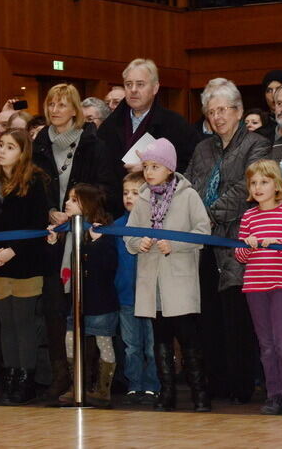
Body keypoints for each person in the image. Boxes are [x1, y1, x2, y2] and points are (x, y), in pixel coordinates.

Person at [185, 78, 271, 405]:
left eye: (223, 110)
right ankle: (216, 382)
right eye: (211, 111)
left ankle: (241, 385)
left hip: (239, 238)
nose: (218, 116)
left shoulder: (256, 144)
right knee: (209, 317)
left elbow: (245, 188)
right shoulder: (202, 148)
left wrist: (205, 215)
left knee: (237, 317)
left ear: (238, 111)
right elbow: (190, 185)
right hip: (204, 243)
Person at [32, 83, 114, 400]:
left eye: (62, 104)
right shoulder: (39, 142)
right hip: (53, 240)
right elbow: (32, 187)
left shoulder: (93, 142)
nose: (55, 110)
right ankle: (62, 377)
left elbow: (107, 187)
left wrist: (80, 209)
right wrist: (49, 210)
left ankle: (93, 381)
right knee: (55, 311)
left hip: (86, 237)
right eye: (51, 104)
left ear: (75, 109)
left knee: (89, 311)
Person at [124, 138, 212, 412]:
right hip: (153, 281)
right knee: (160, 339)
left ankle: (200, 394)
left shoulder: (188, 195)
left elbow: (202, 232)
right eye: (146, 166)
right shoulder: (143, 198)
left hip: (179, 278)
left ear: (169, 169)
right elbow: (129, 236)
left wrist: (175, 244)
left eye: (155, 166)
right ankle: (167, 393)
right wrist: (141, 243)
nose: (149, 172)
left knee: (189, 338)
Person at [0, 129, 49, 405]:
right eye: (0, 145)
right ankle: (12, 376)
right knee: (5, 324)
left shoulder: (35, 181)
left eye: (10, 147)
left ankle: (27, 379)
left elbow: (37, 223)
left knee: (24, 323)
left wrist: (13, 251)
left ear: (23, 152)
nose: (2, 151)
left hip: (25, 263)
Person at [235, 159, 282, 416]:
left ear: (277, 185)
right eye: (253, 183)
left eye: (264, 182)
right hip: (255, 287)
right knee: (266, 344)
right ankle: (274, 394)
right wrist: (249, 245)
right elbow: (240, 256)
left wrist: (280, 244)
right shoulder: (248, 216)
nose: (257, 187)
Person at [47, 184, 118, 408]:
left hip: (101, 299)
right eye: (68, 199)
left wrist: (96, 242)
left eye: (73, 200)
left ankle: (103, 389)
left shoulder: (103, 231)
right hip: (78, 299)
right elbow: (57, 263)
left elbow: (108, 265)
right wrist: (52, 243)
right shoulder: (69, 228)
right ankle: (76, 384)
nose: (67, 203)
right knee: (70, 339)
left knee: (103, 342)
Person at [97, 59, 200, 207]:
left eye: (140, 84)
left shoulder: (176, 126)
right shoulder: (108, 127)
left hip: (160, 209)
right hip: (114, 210)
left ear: (155, 88)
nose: (133, 90)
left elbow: (191, 168)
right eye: (128, 84)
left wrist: (151, 168)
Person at [113, 171, 160, 405]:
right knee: (132, 346)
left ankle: (153, 384)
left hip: (150, 296)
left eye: (136, 192)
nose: (129, 197)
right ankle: (135, 384)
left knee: (151, 345)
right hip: (126, 296)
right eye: (125, 193)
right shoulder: (116, 226)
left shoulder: (155, 223)